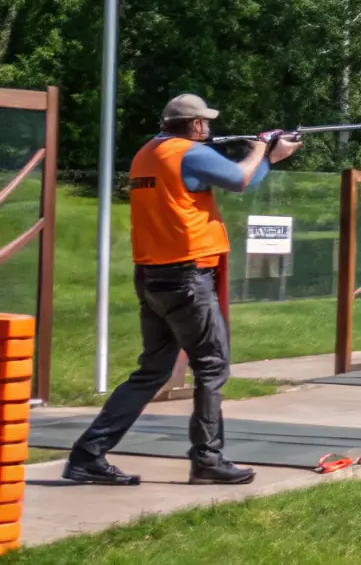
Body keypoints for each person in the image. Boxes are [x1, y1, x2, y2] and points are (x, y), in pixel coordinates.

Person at [63, 94, 300, 486]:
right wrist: (261, 148)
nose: (208, 128)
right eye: (205, 122)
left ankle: (87, 455)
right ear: (194, 126)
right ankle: (207, 458)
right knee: (212, 366)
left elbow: (242, 178)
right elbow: (241, 179)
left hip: (154, 276)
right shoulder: (189, 154)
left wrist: (268, 159)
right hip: (187, 278)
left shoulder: (147, 154)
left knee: (152, 371)